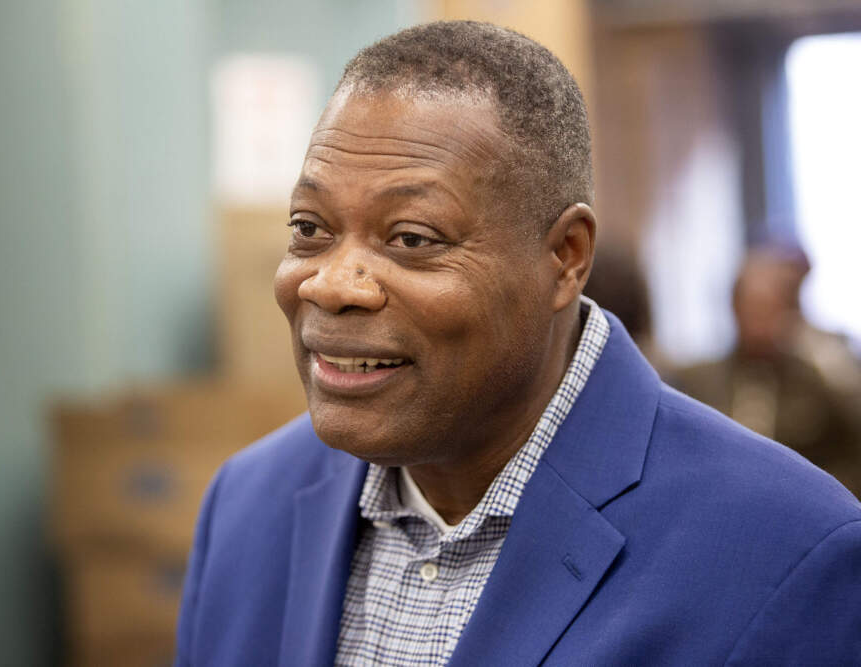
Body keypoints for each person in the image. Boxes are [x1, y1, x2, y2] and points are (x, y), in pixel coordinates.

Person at [175, 22, 861, 666]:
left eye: (412, 238)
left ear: (565, 256)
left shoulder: (789, 552)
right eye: (308, 227)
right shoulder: (247, 504)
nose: (330, 284)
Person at [677, 245, 861, 496]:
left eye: (768, 308)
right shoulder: (698, 381)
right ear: (734, 309)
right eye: (751, 308)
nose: (759, 323)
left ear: (788, 312)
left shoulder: (816, 380)